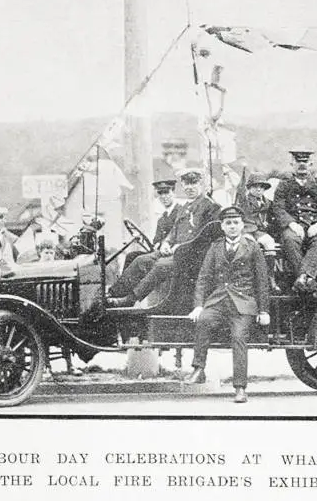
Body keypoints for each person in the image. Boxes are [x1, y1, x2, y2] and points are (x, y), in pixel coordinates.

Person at [187, 206, 270, 403]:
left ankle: (240, 388)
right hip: (219, 300)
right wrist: (198, 305)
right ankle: (199, 369)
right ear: (222, 226)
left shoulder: (252, 247)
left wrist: (264, 310)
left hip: (243, 304)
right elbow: (203, 278)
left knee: (239, 338)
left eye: (236, 223)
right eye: (228, 223)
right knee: (204, 320)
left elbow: (262, 281)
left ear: (242, 225)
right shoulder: (215, 247)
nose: (232, 226)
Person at [105, 168, 220, 308]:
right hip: (175, 253)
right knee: (142, 260)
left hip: (193, 257)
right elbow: (174, 231)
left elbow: (207, 236)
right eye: (186, 184)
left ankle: (131, 299)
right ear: (182, 186)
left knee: (161, 266)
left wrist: (181, 247)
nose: (190, 187)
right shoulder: (185, 207)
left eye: (194, 183)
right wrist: (166, 243)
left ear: (200, 184)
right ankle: (113, 294)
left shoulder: (210, 206)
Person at [272, 149, 317, 292]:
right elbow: (278, 208)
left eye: (305, 161)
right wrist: (292, 224)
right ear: (292, 163)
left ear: (310, 163)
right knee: (289, 239)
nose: (302, 164)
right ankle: (308, 279)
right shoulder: (284, 184)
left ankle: (302, 278)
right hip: (294, 225)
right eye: (298, 161)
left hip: (315, 225)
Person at [152, 179, 180, 249]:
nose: (163, 196)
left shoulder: (181, 212)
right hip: (160, 251)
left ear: (174, 193)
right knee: (132, 255)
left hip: (172, 251)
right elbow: (156, 240)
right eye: (160, 193)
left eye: (167, 192)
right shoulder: (162, 218)